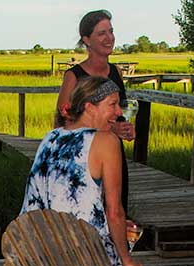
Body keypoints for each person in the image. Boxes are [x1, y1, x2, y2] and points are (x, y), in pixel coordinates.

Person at [21, 76, 143, 266]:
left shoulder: (51, 136)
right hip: (81, 257)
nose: (119, 112)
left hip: (35, 252)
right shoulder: (106, 141)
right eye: (112, 104)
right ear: (90, 107)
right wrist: (127, 260)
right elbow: (115, 212)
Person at [56, 9, 133, 214]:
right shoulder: (74, 76)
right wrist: (108, 129)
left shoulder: (115, 72)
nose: (109, 38)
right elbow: (61, 123)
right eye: (102, 33)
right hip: (84, 161)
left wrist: (125, 129)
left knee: (115, 212)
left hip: (114, 158)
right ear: (87, 40)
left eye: (111, 31)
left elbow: (119, 113)